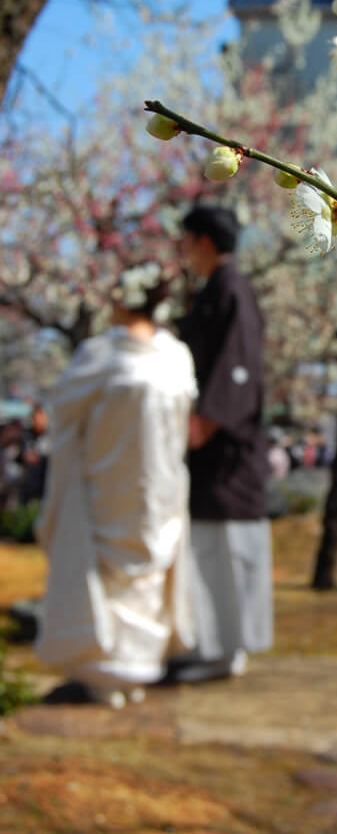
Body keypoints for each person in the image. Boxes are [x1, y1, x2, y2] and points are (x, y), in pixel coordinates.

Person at [35, 263, 197, 707]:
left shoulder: (158, 354)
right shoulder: (123, 354)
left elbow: (66, 410)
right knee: (109, 575)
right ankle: (107, 673)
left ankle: (135, 669)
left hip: (150, 484)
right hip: (116, 481)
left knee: (145, 575)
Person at [171, 203, 273, 682]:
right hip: (212, 448)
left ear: (204, 242)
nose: (184, 252)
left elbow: (238, 368)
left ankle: (229, 650)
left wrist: (206, 422)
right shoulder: (214, 289)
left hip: (227, 446)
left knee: (229, 549)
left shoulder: (231, 289)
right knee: (208, 548)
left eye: (187, 241)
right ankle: (212, 643)